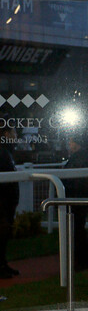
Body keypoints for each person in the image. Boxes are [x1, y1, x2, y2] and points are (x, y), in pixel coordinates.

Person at [64, 135, 88, 271]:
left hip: (77, 197)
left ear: (76, 143)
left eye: (70, 142)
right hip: (79, 196)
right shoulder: (83, 156)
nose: (69, 144)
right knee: (78, 230)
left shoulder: (79, 157)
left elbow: (74, 178)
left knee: (77, 231)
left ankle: (82, 262)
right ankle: (82, 261)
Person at [0, 116, 20, 279]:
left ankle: (3, 264)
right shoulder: (3, 152)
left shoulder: (7, 152)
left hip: (7, 201)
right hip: (3, 202)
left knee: (4, 234)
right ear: (6, 133)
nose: (16, 134)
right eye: (13, 131)